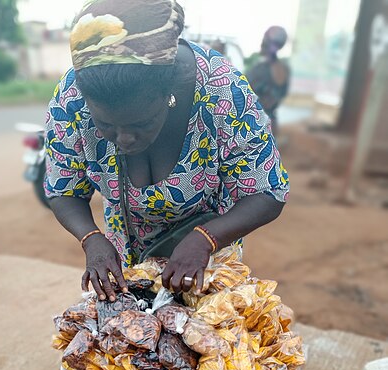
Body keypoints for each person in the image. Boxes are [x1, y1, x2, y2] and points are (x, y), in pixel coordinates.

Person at [45, 0, 289, 301]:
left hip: (207, 260)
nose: (124, 139)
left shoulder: (222, 89)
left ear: (170, 90)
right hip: (128, 261)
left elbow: (268, 191)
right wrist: (91, 239)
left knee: (206, 337)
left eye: (141, 123)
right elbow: (64, 188)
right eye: (105, 125)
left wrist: (206, 239)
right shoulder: (71, 98)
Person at [246, 26, 291, 138]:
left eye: (263, 40)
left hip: (255, 125)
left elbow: (243, 91)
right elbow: (282, 94)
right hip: (272, 125)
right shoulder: (284, 68)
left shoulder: (260, 70)